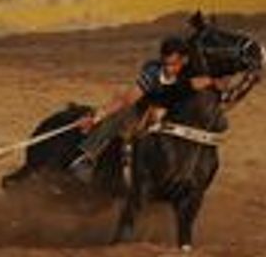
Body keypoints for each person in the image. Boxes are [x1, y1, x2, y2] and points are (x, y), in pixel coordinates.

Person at [67, 36, 226, 181]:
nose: (169, 69)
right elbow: (126, 99)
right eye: (166, 64)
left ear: (184, 60)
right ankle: (88, 157)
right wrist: (96, 117)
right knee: (120, 115)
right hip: (144, 108)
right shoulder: (152, 73)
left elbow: (201, 85)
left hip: (173, 110)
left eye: (173, 64)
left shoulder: (191, 72)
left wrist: (214, 83)